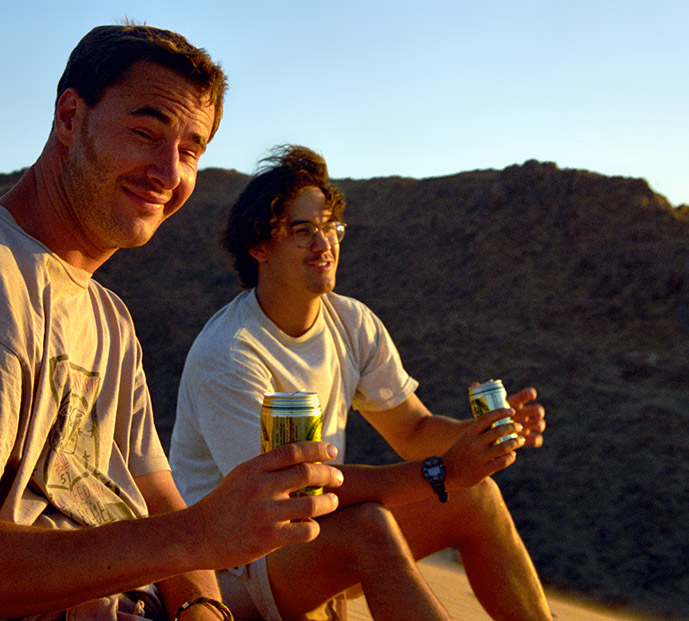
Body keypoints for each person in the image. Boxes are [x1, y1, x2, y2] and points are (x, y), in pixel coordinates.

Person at [0, 28, 343, 621]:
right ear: (70, 118)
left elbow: (155, 496)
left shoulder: (108, 317)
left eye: (191, 150)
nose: (168, 171)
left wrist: (201, 604)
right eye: (146, 133)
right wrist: (201, 533)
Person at [169, 145, 553, 621]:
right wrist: (441, 472)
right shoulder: (229, 352)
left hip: (311, 532)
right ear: (259, 246)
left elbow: (412, 431)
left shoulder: (351, 322)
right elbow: (284, 495)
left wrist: (486, 435)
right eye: (302, 230)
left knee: (475, 495)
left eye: (330, 227)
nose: (323, 242)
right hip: (230, 566)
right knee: (366, 526)